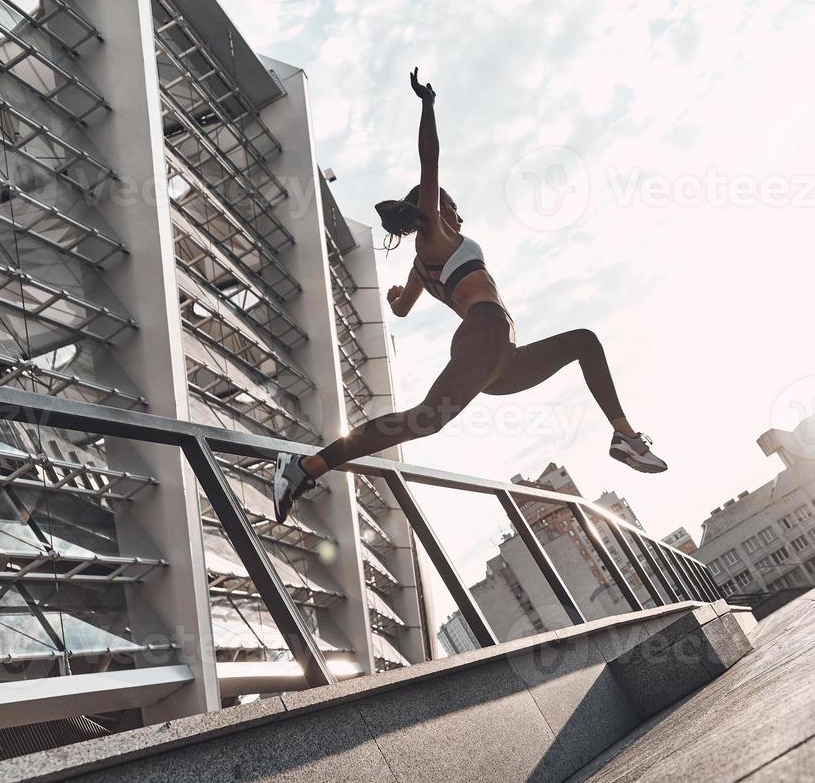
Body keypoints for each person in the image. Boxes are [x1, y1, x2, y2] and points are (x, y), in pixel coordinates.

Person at [274, 68, 667, 522]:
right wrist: (427, 105)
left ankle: (624, 437)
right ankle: (307, 466)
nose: (459, 215)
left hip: (501, 362)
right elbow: (430, 160)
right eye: (453, 208)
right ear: (436, 210)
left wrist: (399, 296)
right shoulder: (435, 239)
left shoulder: (423, 264)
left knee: (583, 342)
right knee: (425, 419)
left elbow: (401, 310)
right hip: (485, 338)